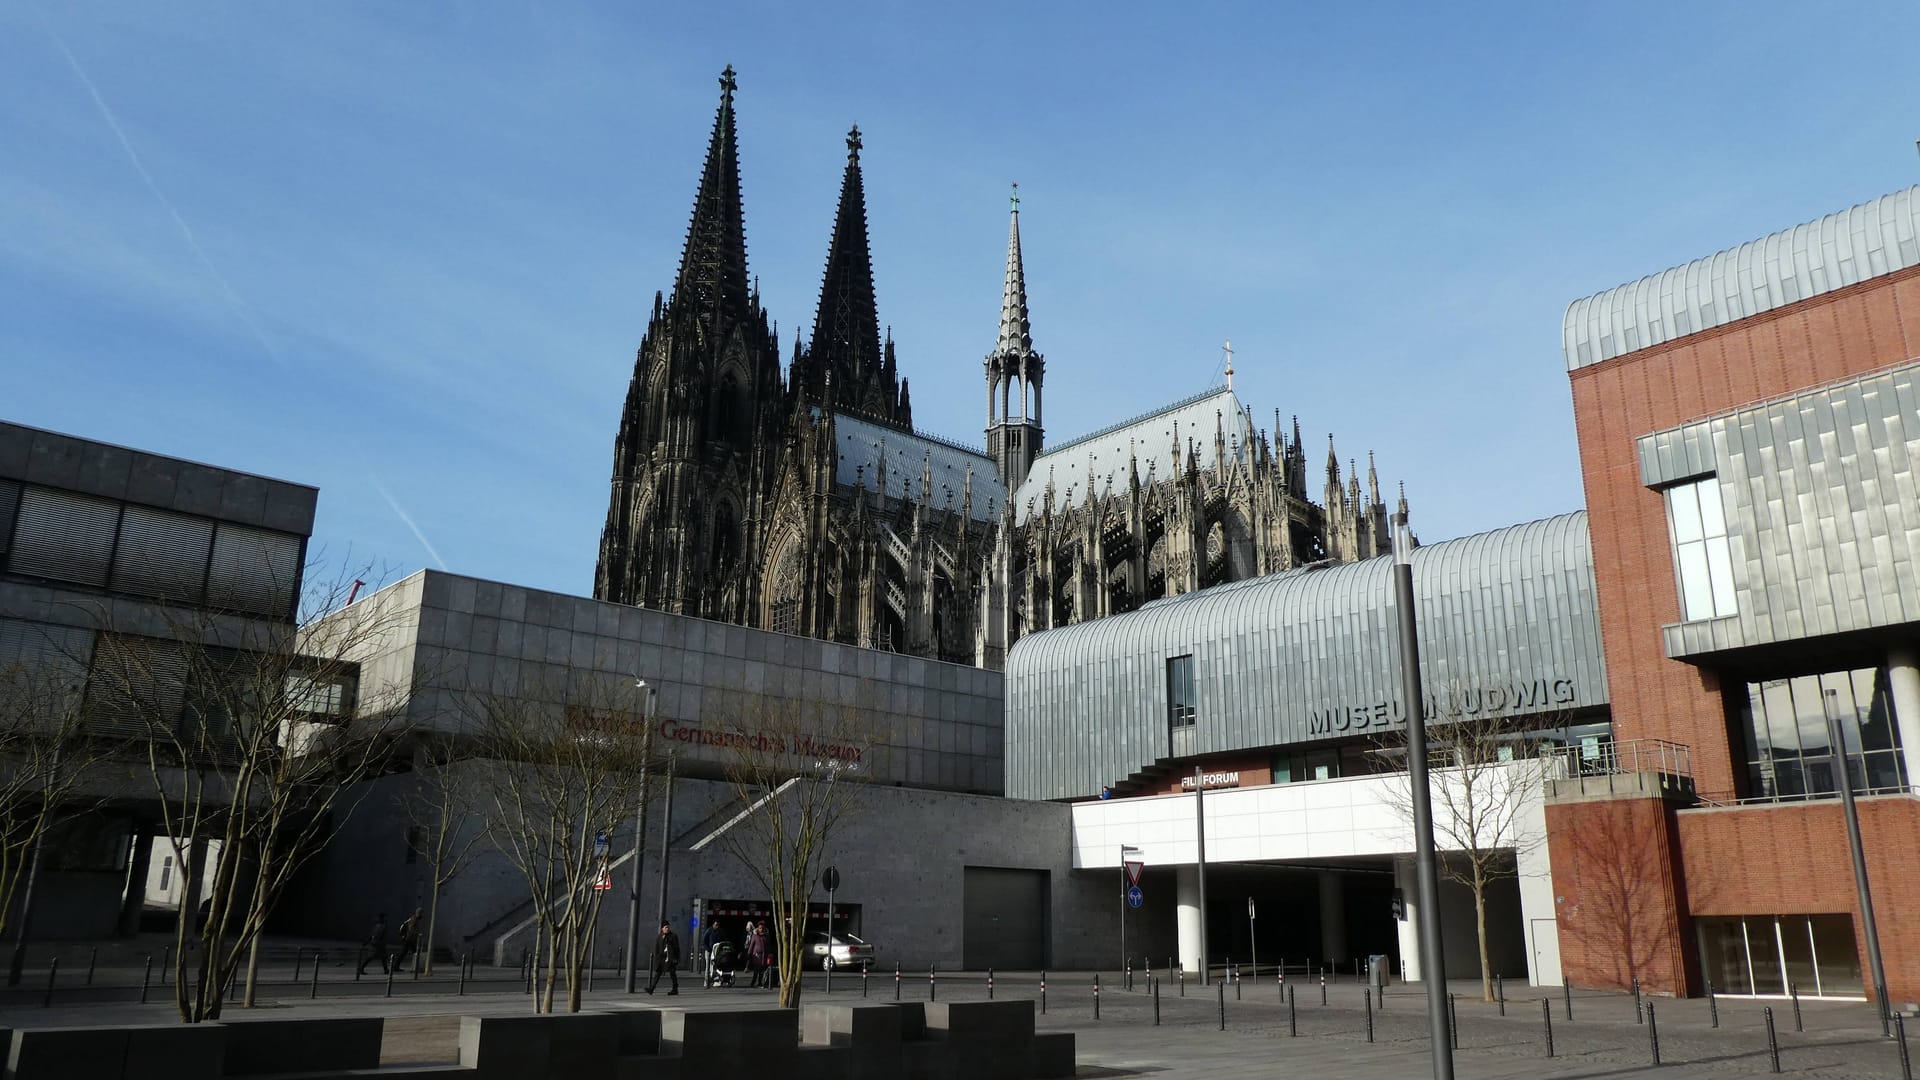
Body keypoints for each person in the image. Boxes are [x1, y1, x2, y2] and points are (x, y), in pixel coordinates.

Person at [646, 921, 681, 995]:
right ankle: (651, 988)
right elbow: (657, 948)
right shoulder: (660, 936)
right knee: (658, 973)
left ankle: (675, 989)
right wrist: (657, 958)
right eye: (666, 927)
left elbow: (676, 948)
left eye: (668, 927)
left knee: (672, 974)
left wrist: (676, 958)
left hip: (670, 958)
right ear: (662, 928)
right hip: (661, 959)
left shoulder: (673, 936)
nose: (667, 929)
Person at [745, 922, 768, 988]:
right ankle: (753, 982)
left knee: (762, 970)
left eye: (762, 928)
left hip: (764, 955)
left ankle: (760, 982)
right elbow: (751, 945)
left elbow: (768, 945)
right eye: (760, 928)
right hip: (756, 955)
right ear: (758, 928)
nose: (761, 929)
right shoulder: (755, 936)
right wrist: (749, 953)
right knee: (756, 970)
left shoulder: (766, 936)